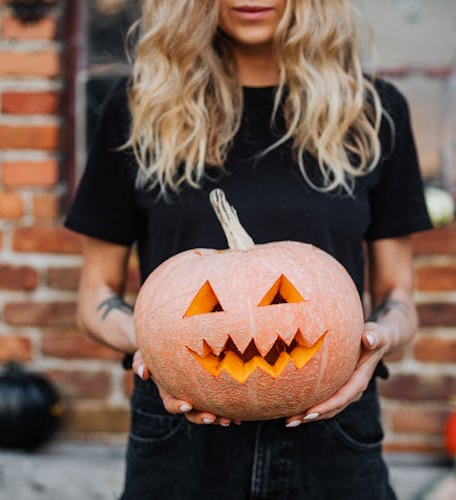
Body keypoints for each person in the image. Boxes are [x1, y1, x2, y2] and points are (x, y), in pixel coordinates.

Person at [65, 0, 432, 498]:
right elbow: (95, 297)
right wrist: (162, 349)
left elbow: (398, 294)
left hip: (332, 420)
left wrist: (377, 340)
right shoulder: (139, 110)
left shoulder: (371, 112)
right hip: (182, 428)